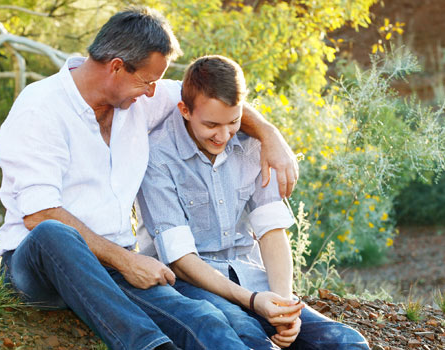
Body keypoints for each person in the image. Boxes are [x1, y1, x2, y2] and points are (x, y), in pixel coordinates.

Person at [0, 8, 299, 350]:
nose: (154, 92)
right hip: (38, 267)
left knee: (205, 319)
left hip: (112, 264)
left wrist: (270, 136)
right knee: (55, 233)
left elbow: (212, 104)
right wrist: (128, 260)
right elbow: (40, 215)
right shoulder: (40, 109)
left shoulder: (137, 100)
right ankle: (150, 346)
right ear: (116, 67)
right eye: (148, 81)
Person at [136, 55, 369, 350]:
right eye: (211, 125)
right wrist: (254, 302)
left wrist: (284, 306)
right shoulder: (157, 155)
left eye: (233, 122)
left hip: (251, 276)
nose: (223, 135)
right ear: (185, 110)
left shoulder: (252, 144)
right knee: (247, 334)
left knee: (348, 342)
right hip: (194, 284)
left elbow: (272, 231)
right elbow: (181, 261)